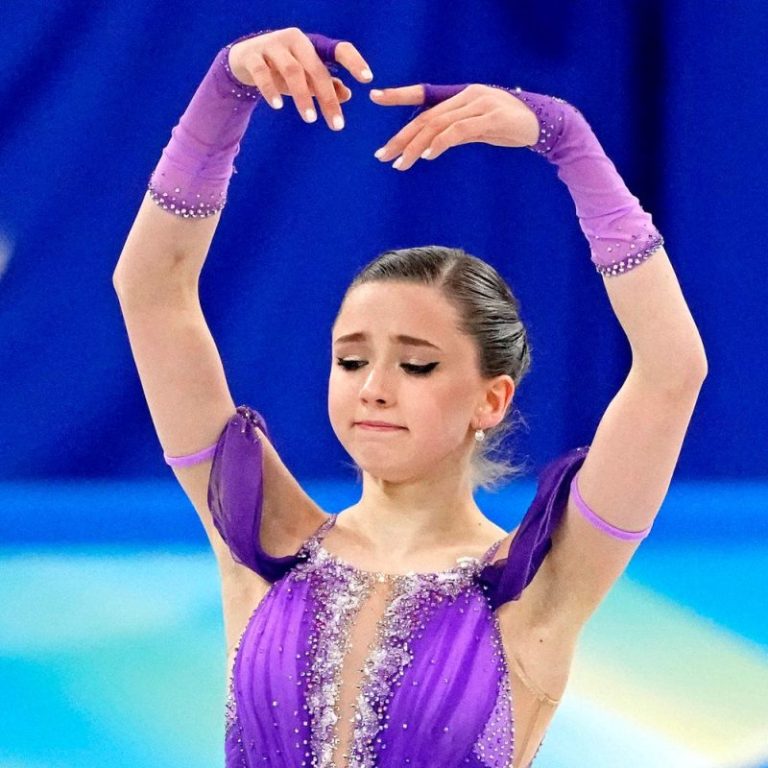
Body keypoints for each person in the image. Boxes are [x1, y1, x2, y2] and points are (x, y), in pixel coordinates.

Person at [112, 26, 708, 768]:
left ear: (491, 400)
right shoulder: (263, 537)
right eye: (351, 359)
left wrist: (568, 142)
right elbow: (152, 291)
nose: (374, 388)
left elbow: (671, 371)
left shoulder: (539, 585)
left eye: (417, 366)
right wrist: (225, 91)